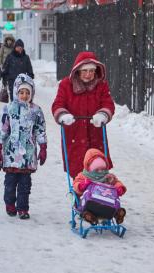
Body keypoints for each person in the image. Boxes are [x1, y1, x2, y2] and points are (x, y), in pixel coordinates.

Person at [51, 51, 115, 179]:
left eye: (91, 71)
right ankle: (79, 197)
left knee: (98, 170)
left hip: (95, 135)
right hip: (74, 135)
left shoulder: (101, 86)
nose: (88, 74)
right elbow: (58, 104)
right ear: (78, 71)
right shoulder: (66, 85)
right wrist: (63, 115)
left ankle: (96, 197)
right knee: (78, 174)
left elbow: (108, 104)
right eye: (85, 71)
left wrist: (103, 114)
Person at [0, 73, 47, 220]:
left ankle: (23, 208)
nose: (24, 95)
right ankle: (10, 204)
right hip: (11, 155)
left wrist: (43, 147)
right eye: (21, 92)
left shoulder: (36, 111)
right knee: (10, 184)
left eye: (27, 92)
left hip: (27, 156)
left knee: (25, 186)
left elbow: (40, 129)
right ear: (16, 92)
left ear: (32, 93)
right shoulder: (8, 109)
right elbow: (2, 130)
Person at [73, 148, 127, 225]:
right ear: (90, 168)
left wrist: (119, 187)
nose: (100, 171)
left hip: (106, 203)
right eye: (97, 169)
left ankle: (117, 213)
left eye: (102, 169)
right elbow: (76, 184)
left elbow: (116, 182)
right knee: (85, 209)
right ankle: (90, 217)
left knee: (113, 205)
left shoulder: (107, 176)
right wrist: (81, 186)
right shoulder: (84, 176)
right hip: (88, 204)